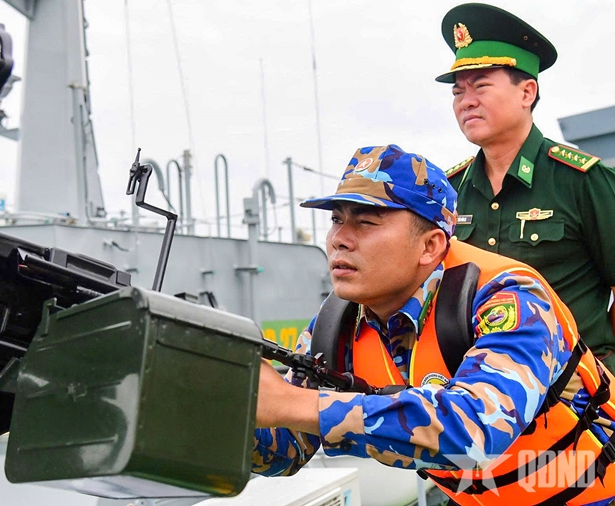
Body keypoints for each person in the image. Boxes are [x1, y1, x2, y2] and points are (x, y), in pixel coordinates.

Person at [253, 144, 615, 506]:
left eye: (365, 222)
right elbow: (286, 448)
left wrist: (295, 403)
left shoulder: (511, 297)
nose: (339, 239)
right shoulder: (335, 326)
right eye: (336, 220)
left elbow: (474, 431)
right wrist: (237, 401)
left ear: (430, 246)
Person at [435, 2, 615, 374]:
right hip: (478, 392)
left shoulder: (581, 180)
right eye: (457, 92)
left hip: (574, 392)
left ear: (527, 92)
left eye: (481, 86)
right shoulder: (449, 191)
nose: (466, 101)